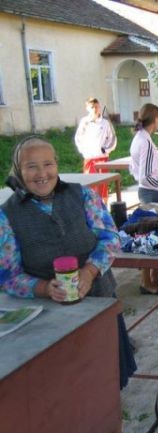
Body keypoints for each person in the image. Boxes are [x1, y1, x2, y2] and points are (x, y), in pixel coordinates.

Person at [0, 136, 136, 390]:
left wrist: (89, 271)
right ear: (18, 170)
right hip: (50, 320)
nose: (42, 174)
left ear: (56, 164)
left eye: (48, 164)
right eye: (31, 166)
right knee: (67, 389)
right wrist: (44, 288)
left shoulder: (82, 195)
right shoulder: (7, 215)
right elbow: (8, 276)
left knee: (110, 378)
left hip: (100, 302)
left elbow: (110, 238)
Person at [129, 103, 158, 295]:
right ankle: (146, 282)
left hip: (149, 192)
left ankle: (154, 279)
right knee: (151, 237)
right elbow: (146, 175)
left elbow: (134, 168)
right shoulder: (145, 142)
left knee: (154, 234)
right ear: (155, 119)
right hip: (151, 193)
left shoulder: (140, 138)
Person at [74, 97, 117, 204]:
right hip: (89, 159)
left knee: (103, 186)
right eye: (92, 107)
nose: (95, 109)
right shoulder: (84, 122)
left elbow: (112, 138)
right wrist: (84, 151)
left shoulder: (105, 123)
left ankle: (104, 206)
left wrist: (105, 150)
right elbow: (78, 138)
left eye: (97, 107)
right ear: (87, 108)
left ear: (99, 107)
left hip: (102, 159)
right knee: (90, 185)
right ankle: (91, 207)